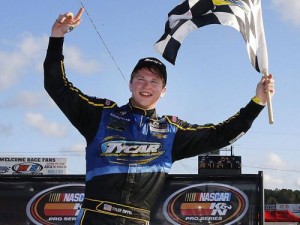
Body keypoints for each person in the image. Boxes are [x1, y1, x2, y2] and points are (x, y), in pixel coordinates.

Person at [44, 8, 275, 225]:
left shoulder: (172, 132)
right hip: (94, 217)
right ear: (130, 83)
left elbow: (221, 135)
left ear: (163, 91)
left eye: (154, 81)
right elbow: (57, 87)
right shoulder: (100, 116)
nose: (147, 86)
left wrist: (257, 102)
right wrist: (57, 37)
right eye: (141, 79)